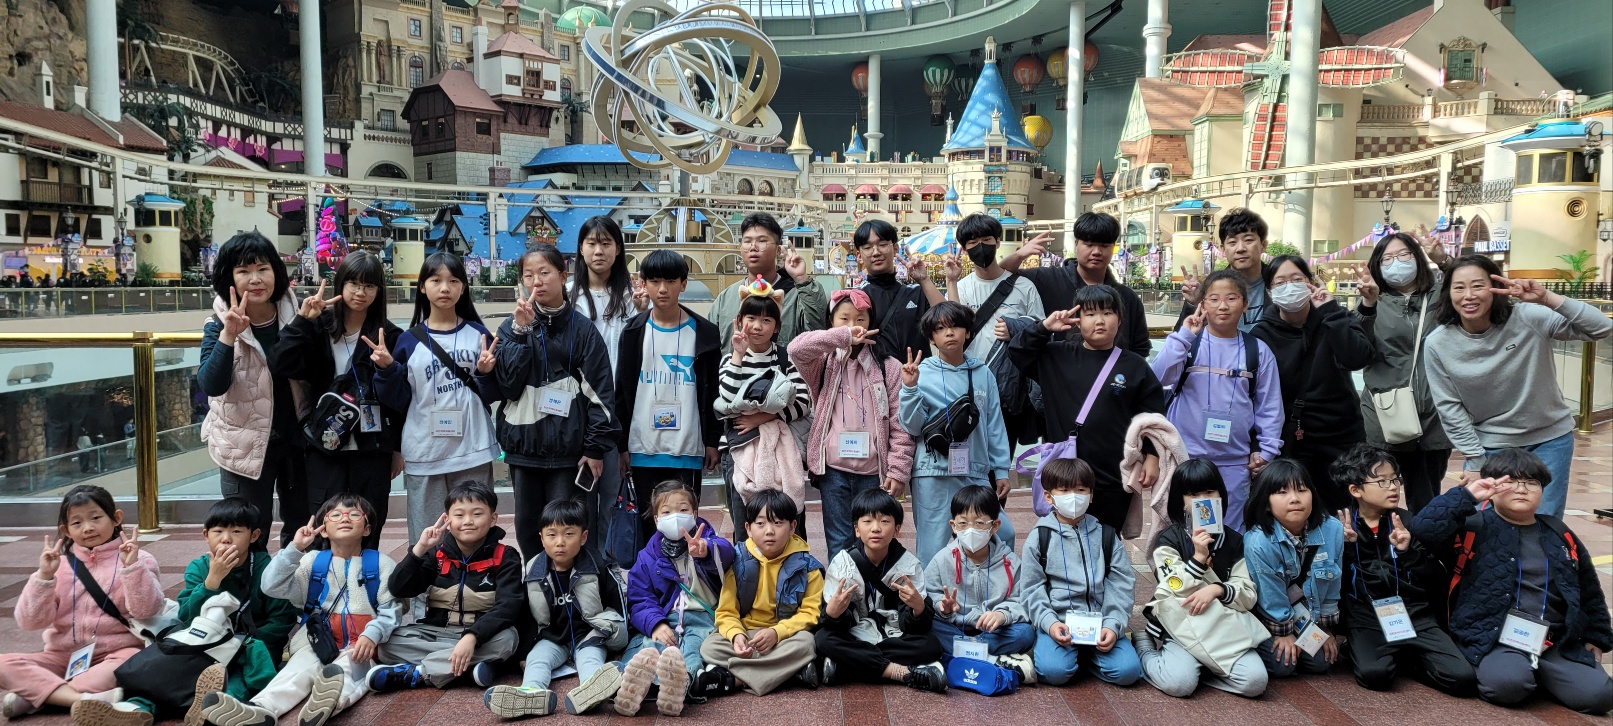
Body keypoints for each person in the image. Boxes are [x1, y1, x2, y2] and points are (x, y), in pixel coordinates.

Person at [1409, 449, 1613, 714]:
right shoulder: (1474, 527)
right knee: (1507, 687)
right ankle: (1523, 672)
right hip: (1495, 638)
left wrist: (1596, 636)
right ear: (1493, 488)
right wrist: (1466, 496)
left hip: (1555, 641)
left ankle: (1538, 672)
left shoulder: (1558, 533)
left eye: (1531, 482)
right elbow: (1423, 529)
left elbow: (1588, 588)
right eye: (1511, 482)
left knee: (1600, 696)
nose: (1522, 489)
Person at [1423, 255, 1613, 518]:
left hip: (1550, 441)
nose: (1469, 296)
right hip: (1490, 445)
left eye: (1478, 286)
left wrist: (1547, 298)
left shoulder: (1528, 317)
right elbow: (1449, 408)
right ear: (1448, 293)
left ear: (1495, 288)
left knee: (1544, 522)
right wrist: (1475, 460)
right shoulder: (1438, 344)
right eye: (1459, 288)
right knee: (1485, 524)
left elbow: (1602, 327)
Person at [199, 494, 401, 726]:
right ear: (323, 530)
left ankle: (325, 704)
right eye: (335, 515)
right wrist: (294, 549)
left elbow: (392, 610)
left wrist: (372, 634)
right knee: (295, 671)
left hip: (362, 646)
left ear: (367, 529)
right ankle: (260, 709)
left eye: (354, 514)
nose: (345, 518)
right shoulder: (311, 562)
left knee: (347, 670)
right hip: (317, 642)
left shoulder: (381, 564)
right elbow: (271, 586)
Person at [491, 244, 618, 559]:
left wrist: (594, 449)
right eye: (528, 275)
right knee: (529, 530)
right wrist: (521, 332)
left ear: (563, 276)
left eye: (544, 273)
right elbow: (508, 386)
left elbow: (601, 394)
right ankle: (538, 585)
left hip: (569, 455)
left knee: (569, 532)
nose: (536, 281)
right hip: (525, 452)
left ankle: (574, 586)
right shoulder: (510, 328)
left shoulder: (583, 330)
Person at [1011, 284, 1166, 531]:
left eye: (1107, 313)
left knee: (1107, 540)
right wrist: (1044, 328)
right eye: (1090, 313)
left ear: (1119, 319)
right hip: (1064, 475)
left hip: (1112, 475)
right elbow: (1018, 351)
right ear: (1078, 320)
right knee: (1063, 540)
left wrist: (1152, 456)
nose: (1099, 320)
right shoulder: (1056, 356)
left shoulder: (1134, 366)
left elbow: (1153, 417)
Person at [0, 486, 164, 720]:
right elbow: (30, 622)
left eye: (96, 518)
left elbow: (146, 610)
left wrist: (132, 568)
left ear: (116, 518)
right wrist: (44, 577)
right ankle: (83, 699)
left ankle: (38, 696)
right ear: (65, 530)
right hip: (64, 656)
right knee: (3, 664)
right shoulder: (59, 566)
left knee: (121, 667)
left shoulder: (140, 560)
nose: (88, 527)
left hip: (118, 653)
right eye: (77, 523)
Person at [273, 251, 402, 548]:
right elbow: (280, 364)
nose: (360, 292)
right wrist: (302, 321)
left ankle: (366, 577)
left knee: (369, 523)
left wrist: (396, 447)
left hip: (371, 447)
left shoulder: (389, 335)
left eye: (369, 286)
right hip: (322, 444)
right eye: (353, 283)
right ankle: (325, 578)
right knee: (324, 524)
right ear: (340, 284)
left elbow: (399, 400)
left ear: (379, 291)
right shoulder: (318, 326)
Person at [373, 253, 501, 549]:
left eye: (453, 281)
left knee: (475, 533)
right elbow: (398, 401)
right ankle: (425, 583)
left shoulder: (478, 334)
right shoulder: (408, 341)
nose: (445, 288)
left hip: (473, 449)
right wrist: (386, 369)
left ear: (463, 288)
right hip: (424, 451)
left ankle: (475, 580)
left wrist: (485, 374)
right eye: (436, 280)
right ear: (422, 287)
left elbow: (494, 394)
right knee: (427, 537)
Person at [1331, 443, 1476, 696]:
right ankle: (1364, 648)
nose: (1393, 487)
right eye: (1382, 481)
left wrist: (1408, 552)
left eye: (1395, 479)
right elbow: (1331, 583)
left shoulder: (1408, 522)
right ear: (1356, 490)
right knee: (1374, 676)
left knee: (1461, 678)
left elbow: (1436, 577)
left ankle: (1404, 659)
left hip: (1416, 615)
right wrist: (1348, 548)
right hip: (1367, 618)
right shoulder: (1339, 526)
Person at [197, 231, 307, 550]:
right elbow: (211, 384)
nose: (255, 279)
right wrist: (229, 335)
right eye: (244, 271)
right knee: (246, 535)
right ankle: (248, 584)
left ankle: (291, 585)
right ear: (229, 277)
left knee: (302, 531)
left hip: (296, 444)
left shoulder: (299, 315)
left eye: (263, 268)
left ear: (276, 271)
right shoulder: (218, 324)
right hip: (241, 445)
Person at [1151, 269, 1284, 532]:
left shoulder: (1258, 351)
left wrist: (1267, 450)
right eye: (1214, 299)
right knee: (1188, 532)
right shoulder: (1189, 343)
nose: (1223, 306)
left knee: (1231, 533)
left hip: (1234, 462)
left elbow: (1270, 406)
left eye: (1231, 298)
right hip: (1186, 459)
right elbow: (1157, 378)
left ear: (1245, 305)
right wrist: (1183, 336)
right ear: (1203, 305)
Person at [788, 288, 916, 558]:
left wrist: (897, 470)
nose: (853, 325)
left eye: (860, 319)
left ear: (871, 322)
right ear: (831, 322)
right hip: (833, 471)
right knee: (838, 542)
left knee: (874, 543)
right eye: (844, 319)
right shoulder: (823, 362)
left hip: (873, 473)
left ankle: (870, 586)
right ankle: (842, 587)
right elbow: (796, 349)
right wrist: (843, 337)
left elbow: (900, 423)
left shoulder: (889, 367)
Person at [1133, 459, 1268, 699]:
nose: (1203, 500)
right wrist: (1198, 557)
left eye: (1209, 492)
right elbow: (1172, 587)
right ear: (1181, 501)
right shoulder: (1169, 539)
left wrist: (1217, 589)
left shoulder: (1235, 541)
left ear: (1221, 495)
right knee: (1180, 684)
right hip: (1182, 629)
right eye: (1193, 495)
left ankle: (1204, 669)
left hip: (1223, 628)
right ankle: (1144, 647)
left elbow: (1247, 594)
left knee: (1255, 682)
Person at [368, 483, 523, 692]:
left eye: (477, 514)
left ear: (493, 518)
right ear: (447, 521)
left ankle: (419, 673)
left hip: (481, 636)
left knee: (507, 640)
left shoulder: (505, 556)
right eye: (459, 515)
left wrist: (472, 637)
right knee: (386, 645)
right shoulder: (437, 554)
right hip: (435, 632)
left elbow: (508, 606)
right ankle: (468, 668)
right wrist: (420, 549)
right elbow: (399, 588)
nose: (468, 521)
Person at [482, 500, 628, 718]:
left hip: (589, 635)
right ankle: (532, 694)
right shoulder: (534, 571)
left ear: (583, 537)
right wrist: (524, 653)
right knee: (537, 659)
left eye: (569, 534)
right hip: (552, 637)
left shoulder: (598, 566)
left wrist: (616, 637)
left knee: (590, 660)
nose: (560, 542)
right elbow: (526, 615)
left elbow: (617, 603)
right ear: (542, 539)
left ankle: (591, 691)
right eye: (551, 535)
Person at [1251, 254, 1373, 513]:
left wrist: (1330, 311)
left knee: (1347, 513)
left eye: (1297, 279)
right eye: (1280, 282)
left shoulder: (1335, 317)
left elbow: (1357, 358)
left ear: (1310, 281)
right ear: (1270, 292)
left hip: (1343, 438)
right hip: (1295, 443)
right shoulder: (1262, 334)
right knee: (1299, 512)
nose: (1290, 287)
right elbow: (1255, 397)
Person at [613, 249, 720, 543]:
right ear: (643, 283)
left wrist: (712, 440)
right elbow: (622, 390)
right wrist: (622, 445)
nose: (663, 289)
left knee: (684, 524)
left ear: (683, 284)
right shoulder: (633, 332)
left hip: (687, 446)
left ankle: (686, 575)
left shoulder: (705, 333)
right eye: (655, 281)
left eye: (671, 281)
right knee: (649, 525)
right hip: (643, 446)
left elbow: (712, 389)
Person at [898, 301, 1013, 565]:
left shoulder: (982, 373)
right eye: (940, 329)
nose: (949, 333)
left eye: (955, 326)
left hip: (975, 471)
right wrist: (910, 388)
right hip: (932, 473)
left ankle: (990, 586)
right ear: (931, 338)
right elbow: (912, 426)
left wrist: (1001, 470)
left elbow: (994, 423)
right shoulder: (921, 373)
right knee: (933, 545)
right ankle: (934, 593)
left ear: (968, 332)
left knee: (1002, 533)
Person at [617, 480, 737, 717]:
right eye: (666, 512)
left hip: (703, 617)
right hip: (666, 617)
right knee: (649, 646)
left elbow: (728, 552)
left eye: (683, 510)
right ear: (656, 519)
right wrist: (656, 624)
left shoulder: (708, 542)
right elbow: (640, 599)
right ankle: (626, 682)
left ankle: (683, 684)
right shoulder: (647, 556)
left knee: (692, 649)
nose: (675, 517)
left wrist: (705, 550)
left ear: (695, 514)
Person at [1020, 458, 1141, 687]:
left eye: (1080, 490)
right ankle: (1060, 651)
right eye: (1064, 490)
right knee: (1053, 672)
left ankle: (1085, 657)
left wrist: (1112, 624)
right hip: (1060, 623)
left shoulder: (1106, 536)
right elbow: (1031, 588)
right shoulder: (1039, 538)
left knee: (1128, 672)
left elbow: (1121, 583)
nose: (1073, 496)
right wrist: (1049, 623)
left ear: (1091, 495)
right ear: (1049, 496)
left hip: (1100, 622)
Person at [1353, 232, 1452, 512]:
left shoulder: (1440, 296)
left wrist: (1444, 261)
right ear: (1378, 265)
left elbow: (1471, 284)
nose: (1396, 262)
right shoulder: (1372, 300)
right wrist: (1368, 305)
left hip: (1434, 415)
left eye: (1404, 255)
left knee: (1428, 498)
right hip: (1386, 415)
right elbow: (1354, 349)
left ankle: (1422, 540)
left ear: (1417, 258)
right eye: (1387, 258)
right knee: (1378, 496)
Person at [814, 489, 948, 693]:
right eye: (867, 521)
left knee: (931, 645)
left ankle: (847, 665)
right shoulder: (842, 563)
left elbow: (914, 627)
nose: (876, 528)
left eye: (884, 521)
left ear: (897, 529)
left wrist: (919, 609)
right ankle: (900, 672)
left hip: (894, 636)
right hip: (856, 634)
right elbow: (835, 624)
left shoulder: (909, 565)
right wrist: (832, 614)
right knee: (823, 639)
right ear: (857, 529)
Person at [568, 215, 646, 568]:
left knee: (614, 494)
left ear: (618, 249)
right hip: (578, 409)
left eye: (606, 243)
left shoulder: (632, 297)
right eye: (591, 243)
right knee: (581, 495)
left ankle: (610, 567)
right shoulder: (569, 296)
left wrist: (642, 313)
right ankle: (583, 567)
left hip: (618, 409)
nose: (598, 251)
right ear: (581, 249)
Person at [695, 489, 825, 698]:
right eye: (761, 523)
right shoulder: (738, 562)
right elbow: (726, 612)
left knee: (807, 644)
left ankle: (733, 680)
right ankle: (790, 673)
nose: (769, 531)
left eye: (778, 523)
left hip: (784, 637)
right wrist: (736, 635)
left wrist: (777, 632)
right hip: (748, 634)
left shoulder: (807, 567)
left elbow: (811, 614)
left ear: (793, 527)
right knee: (710, 647)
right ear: (748, 528)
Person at [715, 287, 811, 540]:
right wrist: (738, 354)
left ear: (777, 326)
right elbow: (727, 398)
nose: (757, 326)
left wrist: (764, 417)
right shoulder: (729, 360)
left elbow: (804, 402)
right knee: (745, 524)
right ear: (739, 321)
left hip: (780, 449)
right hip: (737, 449)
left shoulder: (785, 359)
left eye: (766, 320)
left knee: (786, 521)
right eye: (751, 318)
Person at [921, 485, 1037, 681]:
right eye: (963, 523)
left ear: (995, 525)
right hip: (955, 626)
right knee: (928, 625)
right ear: (953, 526)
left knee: (1024, 633)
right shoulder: (942, 559)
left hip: (994, 631)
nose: (971, 530)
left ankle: (963, 654)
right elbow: (929, 594)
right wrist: (943, 607)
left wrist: (1002, 614)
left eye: (979, 523)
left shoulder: (1011, 562)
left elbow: (1022, 599)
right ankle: (992, 659)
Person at [1242, 458, 1344, 679]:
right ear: (1266, 502)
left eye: (1302, 490)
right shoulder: (1259, 541)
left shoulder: (1332, 529)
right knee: (1283, 664)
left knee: (1322, 660)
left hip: (1306, 613)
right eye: (1282, 492)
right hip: (1268, 616)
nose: (1295, 499)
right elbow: (1269, 595)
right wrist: (1283, 632)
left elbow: (1333, 582)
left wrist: (1325, 627)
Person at [999, 212, 1151, 358]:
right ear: (1076, 244)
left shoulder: (1127, 298)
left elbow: (1140, 348)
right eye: (1089, 244)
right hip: (1056, 372)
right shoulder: (1047, 279)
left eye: (1104, 246)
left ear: (1113, 247)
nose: (1097, 251)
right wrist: (1020, 254)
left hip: (1112, 374)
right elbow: (1002, 274)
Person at [710, 212, 827, 356]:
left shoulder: (797, 295)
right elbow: (711, 348)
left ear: (778, 250)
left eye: (762, 241)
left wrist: (801, 279)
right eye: (747, 241)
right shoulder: (725, 299)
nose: (753, 247)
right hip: (734, 370)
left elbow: (817, 332)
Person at [852, 219, 943, 361]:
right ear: (859, 256)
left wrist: (925, 280)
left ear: (895, 249)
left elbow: (948, 322)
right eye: (868, 247)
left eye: (882, 245)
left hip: (919, 372)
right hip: (876, 374)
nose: (876, 252)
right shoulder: (855, 298)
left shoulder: (917, 293)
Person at [1176, 208, 1270, 332]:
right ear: (1223, 249)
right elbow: (1181, 338)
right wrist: (1193, 304)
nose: (1240, 249)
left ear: (1263, 245)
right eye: (1232, 242)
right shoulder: (1209, 287)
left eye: (1248, 240)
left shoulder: (1278, 282)